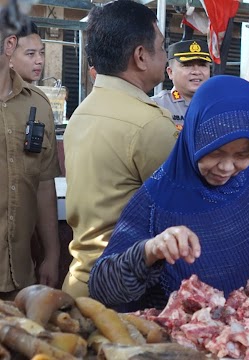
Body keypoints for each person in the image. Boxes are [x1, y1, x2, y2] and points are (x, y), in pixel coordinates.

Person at [89, 76, 249, 311]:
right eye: (215, 152)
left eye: (241, 155)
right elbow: (101, 287)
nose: (227, 167)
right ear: (193, 137)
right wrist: (150, 250)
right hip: (184, 339)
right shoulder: (156, 199)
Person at [63, 0, 178, 298]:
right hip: (122, 288)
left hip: (79, 279)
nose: (166, 57)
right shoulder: (149, 123)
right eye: (162, 47)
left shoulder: (83, 111)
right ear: (141, 56)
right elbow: (178, 212)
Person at [0, 29, 61, 298]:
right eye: (31, 53)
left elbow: (44, 184)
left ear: (9, 44)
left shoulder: (37, 104)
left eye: (41, 53)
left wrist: (52, 252)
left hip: (21, 276)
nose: (39, 60)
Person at [151, 39, 212, 130]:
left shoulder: (219, 105)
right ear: (170, 72)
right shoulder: (156, 106)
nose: (196, 71)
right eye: (187, 65)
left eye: (202, 65)